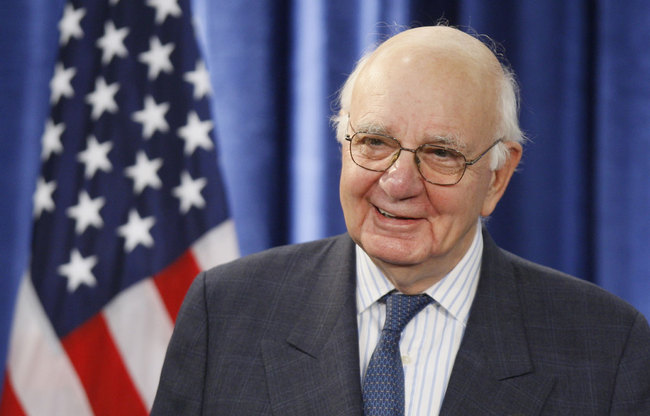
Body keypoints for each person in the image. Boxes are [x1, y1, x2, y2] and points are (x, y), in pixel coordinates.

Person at [151, 25, 650, 415]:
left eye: (440, 153)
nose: (397, 182)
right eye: (375, 142)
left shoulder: (606, 346)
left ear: (498, 176)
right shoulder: (226, 311)